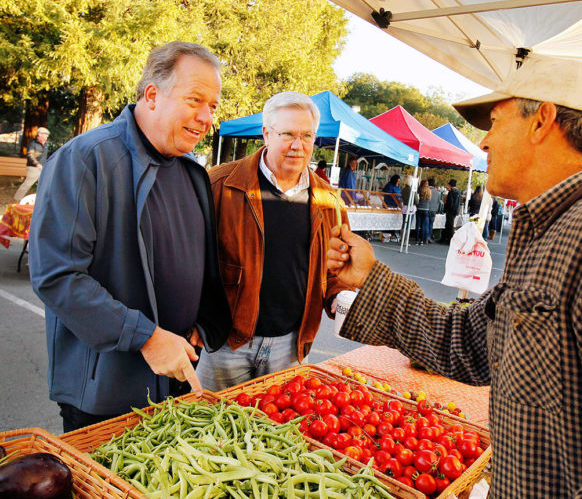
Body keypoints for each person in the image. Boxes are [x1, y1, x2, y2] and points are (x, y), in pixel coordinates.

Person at [326, 57, 582, 497]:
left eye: (496, 122)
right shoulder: (555, 227)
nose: (484, 143)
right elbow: (465, 343)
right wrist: (370, 277)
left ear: (542, 121)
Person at [29, 42, 233, 432]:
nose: (206, 117)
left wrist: (201, 328)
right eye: (195, 100)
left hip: (174, 380)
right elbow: (58, 276)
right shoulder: (85, 159)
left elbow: (204, 270)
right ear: (152, 95)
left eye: (213, 106)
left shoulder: (193, 175)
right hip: (103, 393)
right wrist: (148, 338)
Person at [195, 92, 350, 391]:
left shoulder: (330, 200)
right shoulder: (220, 183)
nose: (298, 145)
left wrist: (339, 299)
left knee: (274, 434)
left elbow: (336, 271)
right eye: (288, 134)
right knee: (216, 431)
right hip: (227, 344)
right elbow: (191, 261)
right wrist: (193, 320)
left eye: (307, 135)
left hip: (290, 348)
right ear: (266, 134)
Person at [13, 127, 49, 202]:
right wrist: (37, 164)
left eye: (47, 134)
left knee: (44, 184)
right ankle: (17, 199)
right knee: (28, 184)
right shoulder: (33, 143)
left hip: (43, 167)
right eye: (45, 134)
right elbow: (30, 155)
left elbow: (46, 155)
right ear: (39, 134)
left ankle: (41, 201)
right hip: (33, 167)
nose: (47, 136)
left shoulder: (46, 144)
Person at [439, 178, 460, 244]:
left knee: (449, 225)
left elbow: (449, 203)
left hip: (450, 211)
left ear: (450, 185)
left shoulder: (451, 192)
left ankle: (449, 239)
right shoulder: (458, 192)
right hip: (455, 210)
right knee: (450, 224)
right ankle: (445, 238)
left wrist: (445, 209)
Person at [414, 179, 431, 245]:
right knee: (423, 225)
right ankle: (422, 240)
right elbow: (429, 200)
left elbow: (417, 199)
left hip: (419, 208)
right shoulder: (429, 191)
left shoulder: (419, 190)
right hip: (426, 209)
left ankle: (417, 240)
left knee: (418, 225)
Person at [427, 178, 439, 243]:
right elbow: (438, 202)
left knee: (426, 223)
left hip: (427, 209)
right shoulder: (437, 192)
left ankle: (425, 237)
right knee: (431, 224)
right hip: (434, 210)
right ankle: (429, 236)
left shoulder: (427, 191)